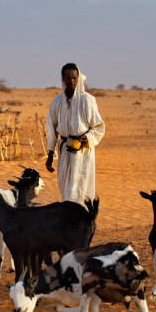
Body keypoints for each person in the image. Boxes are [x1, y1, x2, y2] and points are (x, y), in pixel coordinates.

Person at [45, 63, 105, 205]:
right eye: (68, 78)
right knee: (66, 187)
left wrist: (87, 138)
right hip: (65, 150)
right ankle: (68, 222)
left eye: (74, 78)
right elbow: (51, 128)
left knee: (81, 188)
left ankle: (81, 222)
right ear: (63, 79)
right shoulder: (57, 101)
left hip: (82, 152)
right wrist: (49, 154)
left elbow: (98, 127)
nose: (71, 81)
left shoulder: (87, 100)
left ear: (78, 79)